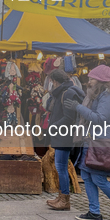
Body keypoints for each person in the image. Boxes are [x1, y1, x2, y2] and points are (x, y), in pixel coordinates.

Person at [63, 64, 110, 220]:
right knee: (87, 175)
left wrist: (78, 107)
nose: (88, 81)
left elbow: (100, 119)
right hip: (93, 139)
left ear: (100, 80)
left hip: (103, 141)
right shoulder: (99, 94)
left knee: (99, 178)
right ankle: (94, 212)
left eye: (91, 78)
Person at [45, 69, 85, 211]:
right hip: (61, 134)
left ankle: (64, 199)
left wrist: (53, 127)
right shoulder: (63, 92)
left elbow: (68, 117)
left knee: (61, 167)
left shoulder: (67, 93)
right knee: (60, 166)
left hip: (64, 135)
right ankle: (61, 196)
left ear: (55, 81)